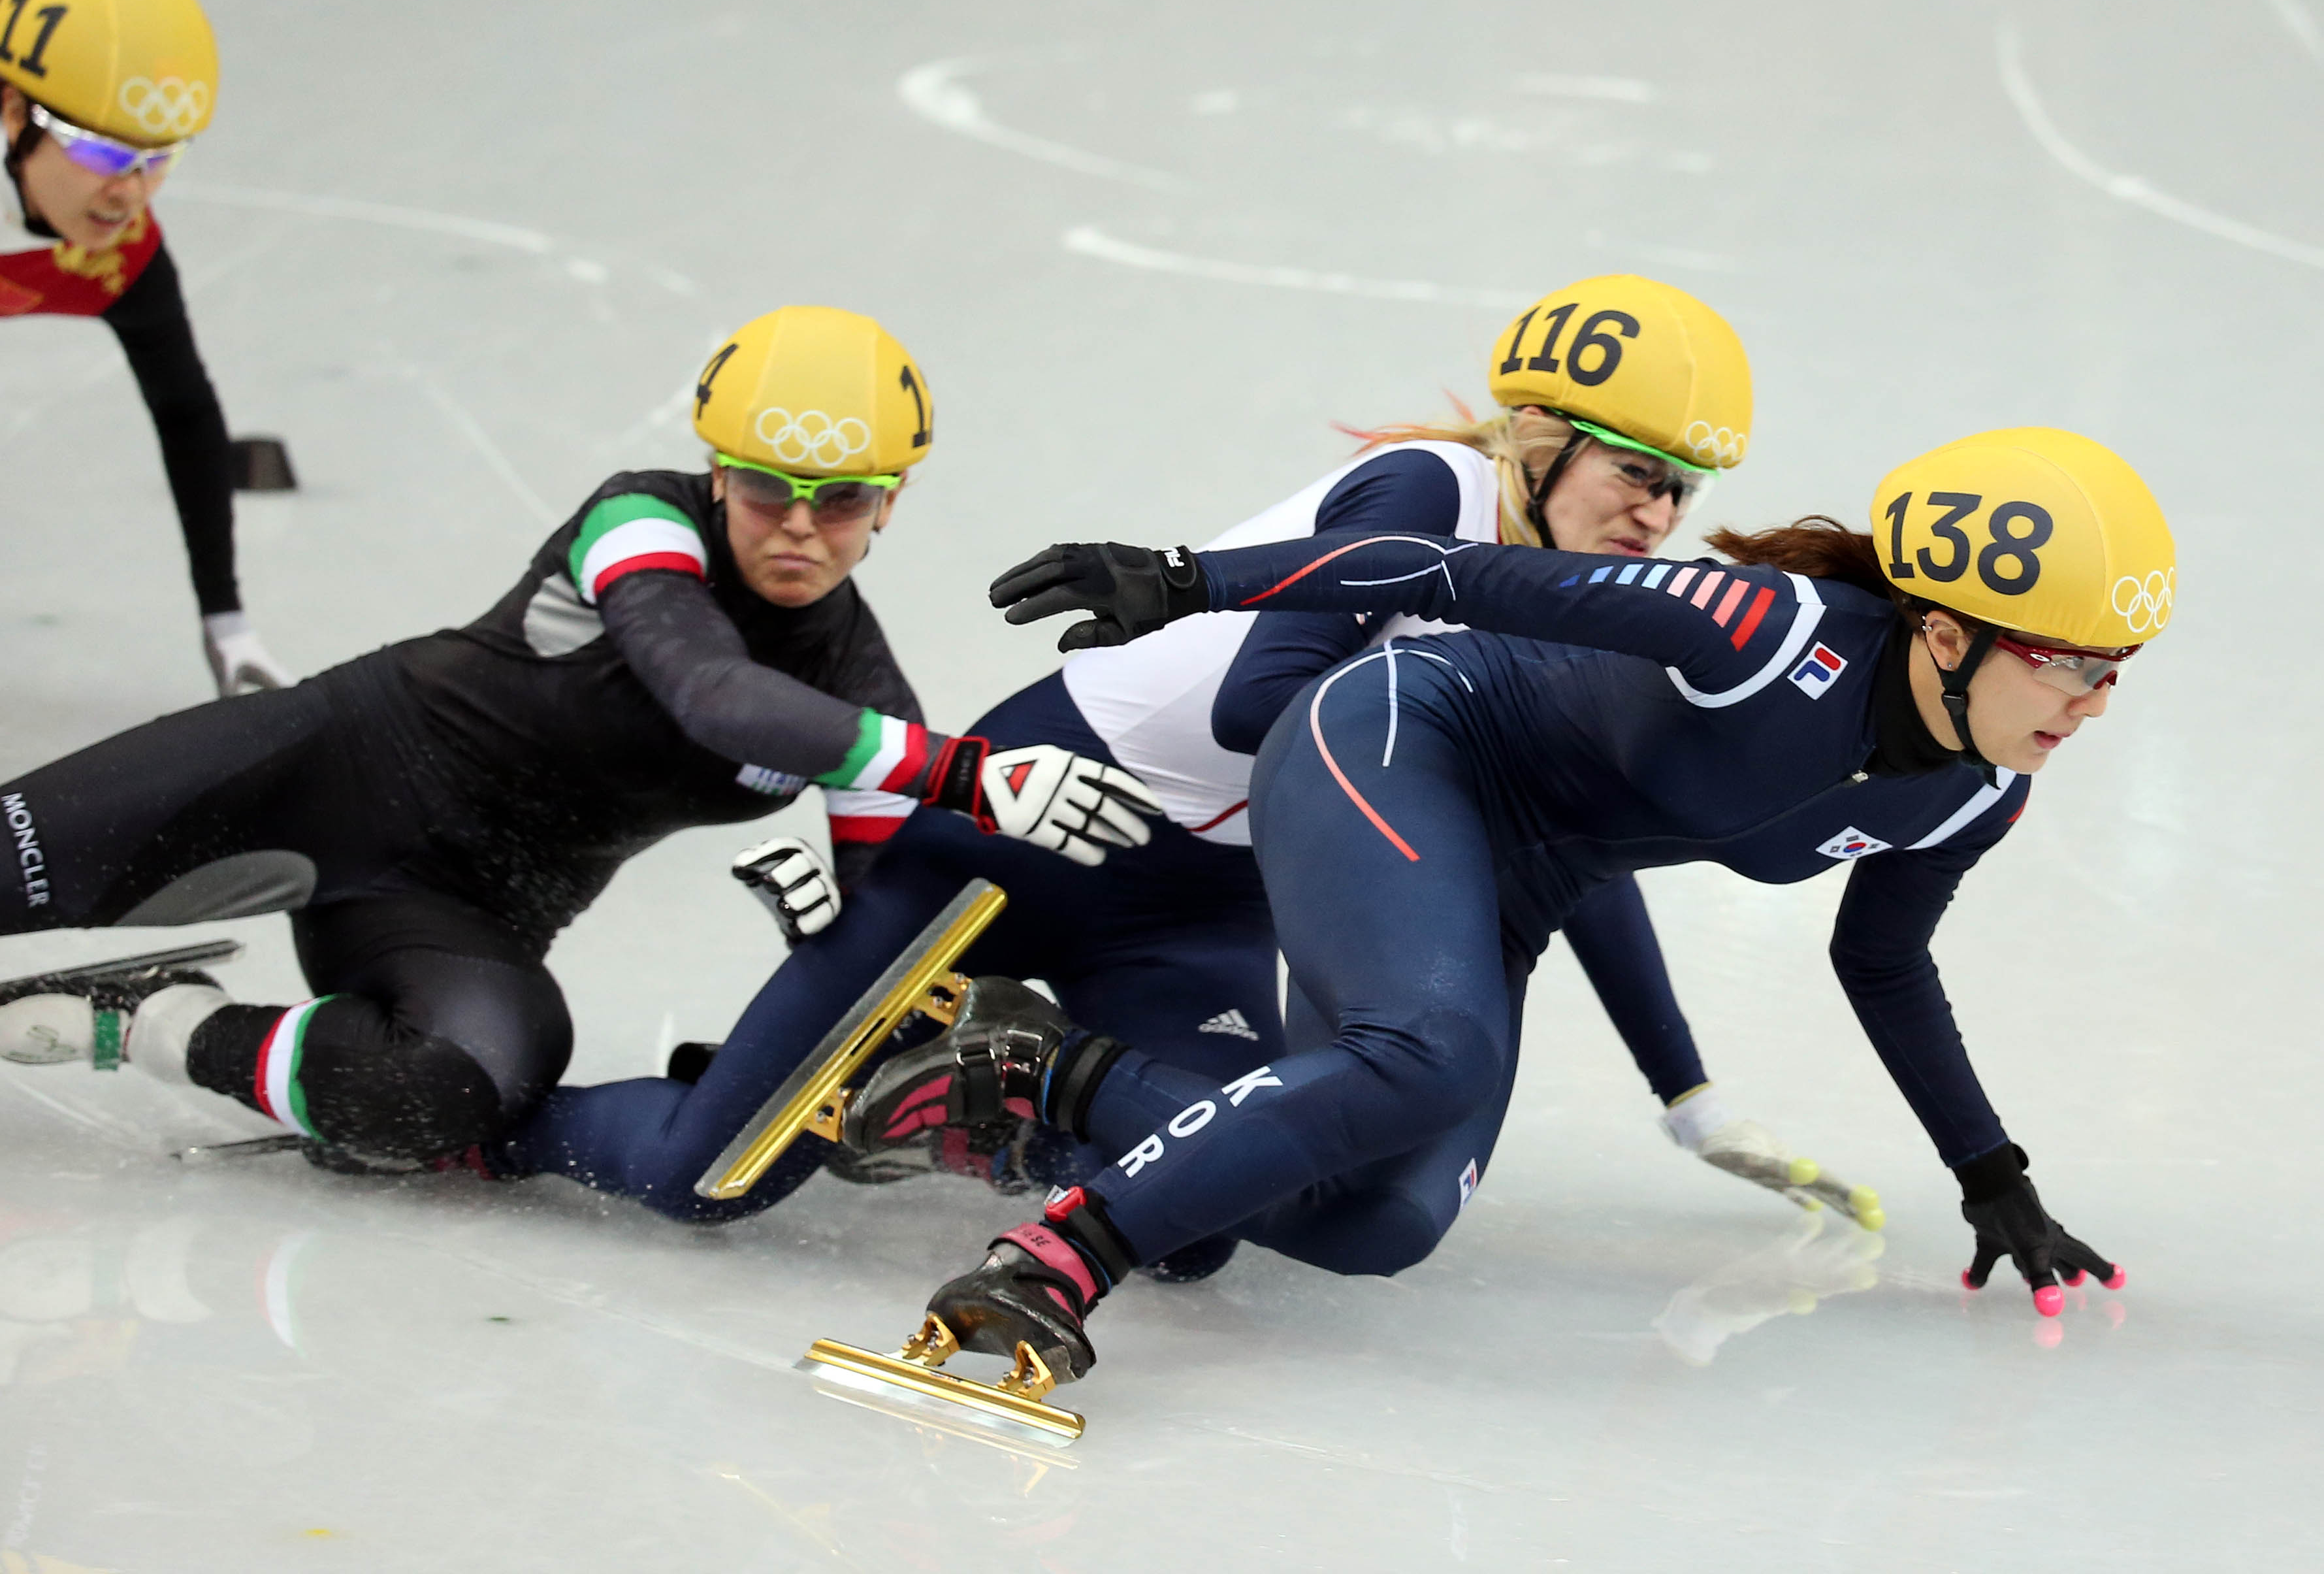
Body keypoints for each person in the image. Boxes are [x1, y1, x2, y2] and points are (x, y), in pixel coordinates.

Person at [497, 274, 1875, 1238]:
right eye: (1637, 470)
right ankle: (500, 1121)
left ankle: (985, 1083)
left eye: (1684, 489)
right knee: (706, 1177)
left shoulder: (1569, 616)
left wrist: (1685, 1093)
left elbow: (1579, 848)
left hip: (1204, 903)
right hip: (1032, 823)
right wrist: (1431, 797)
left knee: (1204, 1216)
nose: (1660, 513)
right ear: (1536, 435)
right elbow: (1252, 707)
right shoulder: (1428, 493)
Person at [853, 423, 2169, 1387]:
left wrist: (1993, 1179)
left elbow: (1886, 966)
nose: (2096, 705)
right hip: (1399, 742)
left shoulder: (1974, 798)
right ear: (1947, 634)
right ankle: (1057, 1263)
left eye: (2117, 675)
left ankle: (1038, 1076)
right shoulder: (1765, 628)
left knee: (1380, 1223)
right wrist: (1192, 579)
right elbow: (1448, 575)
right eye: (2075, 668)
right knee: (1429, 1056)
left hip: (1519, 878)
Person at [0, 304, 1157, 1166]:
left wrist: (834, 950)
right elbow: (707, 691)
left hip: (463, 914)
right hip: (320, 769)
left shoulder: (864, 696)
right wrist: (963, 773)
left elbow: (872, 936)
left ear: (892, 500)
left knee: (455, 1095)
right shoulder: (640, 516)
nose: (799, 529)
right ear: (716, 474)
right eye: (764, 490)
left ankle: (148, 1021)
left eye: (842, 499)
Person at [1, 0, 288, 695]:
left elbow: (186, 412)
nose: (131, 193)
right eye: (101, 149)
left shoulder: (118, 254)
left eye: (159, 156)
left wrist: (228, 624)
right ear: (11, 111)